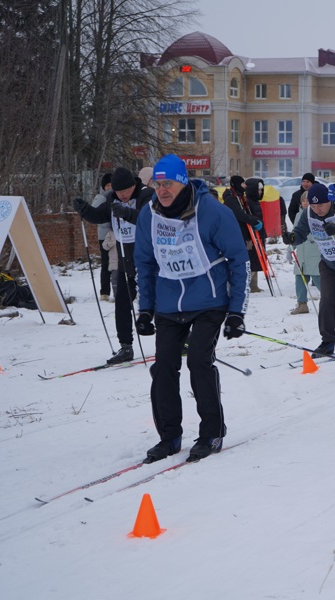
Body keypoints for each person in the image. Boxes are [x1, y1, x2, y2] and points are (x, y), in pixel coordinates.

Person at [133, 154, 250, 463]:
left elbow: (239, 260)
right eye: (157, 184)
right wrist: (145, 309)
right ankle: (169, 437)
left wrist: (237, 312)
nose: (162, 190)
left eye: (168, 183)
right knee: (163, 368)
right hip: (168, 304)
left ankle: (211, 432)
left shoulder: (212, 212)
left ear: (183, 182)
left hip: (209, 302)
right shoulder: (148, 216)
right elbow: (143, 263)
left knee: (199, 362)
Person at [73, 167, 154, 364]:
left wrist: (126, 213)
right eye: (118, 192)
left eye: (125, 192)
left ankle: (182, 338)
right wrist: (84, 210)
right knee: (122, 304)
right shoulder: (112, 198)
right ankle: (125, 346)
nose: (122, 196)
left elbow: (148, 219)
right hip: (126, 260)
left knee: (159, 303)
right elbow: (100, 216)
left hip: (150, 260)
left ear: (133, 186)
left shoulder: (147, 195)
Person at [284, 182, 335, 359]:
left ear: (329, 201)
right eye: (313, 205)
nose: (317, 209)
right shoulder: (308, 213)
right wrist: (291, 238)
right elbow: (300, 232)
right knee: (327, 301)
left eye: (321, 204)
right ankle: (327, 341)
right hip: (328, 263)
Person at [223, 176, 266, 293]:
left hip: (247, 232)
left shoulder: (240, 197)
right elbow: (240, 214)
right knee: (245, 260)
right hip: (239, 233)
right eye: (242, 184)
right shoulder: (232, 199)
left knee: (253, 259)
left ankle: (252, 285)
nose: (244, 186)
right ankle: (238, 286)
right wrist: (253, 220)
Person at [289, 190, 321, 315]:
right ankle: (302, 304)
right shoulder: (298, 215)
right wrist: (290, 247)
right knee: (300, 278)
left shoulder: (317, 215)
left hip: (314, 252)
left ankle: (331, 301)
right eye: (303, 200)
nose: (306, 202)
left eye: (308, 200)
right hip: (301, 252)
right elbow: (294, 232)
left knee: (318, 279)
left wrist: (306, 237)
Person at [92, 172, 113, 301]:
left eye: (112, 185)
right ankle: (104, 292)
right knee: (106, 263)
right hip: (104, 235)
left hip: (117, 235)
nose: (109, 188)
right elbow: (93, 211)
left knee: (119, 264)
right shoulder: (100, 197)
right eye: (107, 185)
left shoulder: (117, 197)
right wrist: (104, 196)